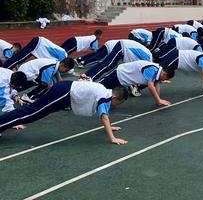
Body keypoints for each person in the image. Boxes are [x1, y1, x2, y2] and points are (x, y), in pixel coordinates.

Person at [0, 80, 129, 144]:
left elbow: (104, 115)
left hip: (65, 92)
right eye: (119, 102)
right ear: (115, 98)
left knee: (33, 114)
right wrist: (113, 138)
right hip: (64, 93)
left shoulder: (105, 91)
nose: (117, 105)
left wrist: (110, 128)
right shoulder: (105, 97)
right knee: (31, 113)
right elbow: (104, 117)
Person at [100, 60, 174, 107]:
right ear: (164, 74)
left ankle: (103, 104)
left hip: (123, 82)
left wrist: (158, 101)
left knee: (118, 99)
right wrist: (158, 100)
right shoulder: (152, 69)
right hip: (119, 74)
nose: (164, 80)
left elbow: (156, 84)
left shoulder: (157, 72)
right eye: (165, 79)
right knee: (100, 87)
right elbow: (150, 86)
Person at [85, 40, 152, 82]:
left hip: (123, 48)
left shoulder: (147, 57)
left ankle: (86, 75)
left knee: (107, 64)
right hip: (123, 47)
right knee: (109, 64)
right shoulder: (148, 59)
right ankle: (90, 78)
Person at [3, 36, 67, 70]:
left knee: (19, 57)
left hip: (39, 42)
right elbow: (56, 67)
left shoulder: (63, 53)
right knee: (19, 58)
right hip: (38, 45)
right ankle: (4, 69)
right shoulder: (63, 57)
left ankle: (6, 67)